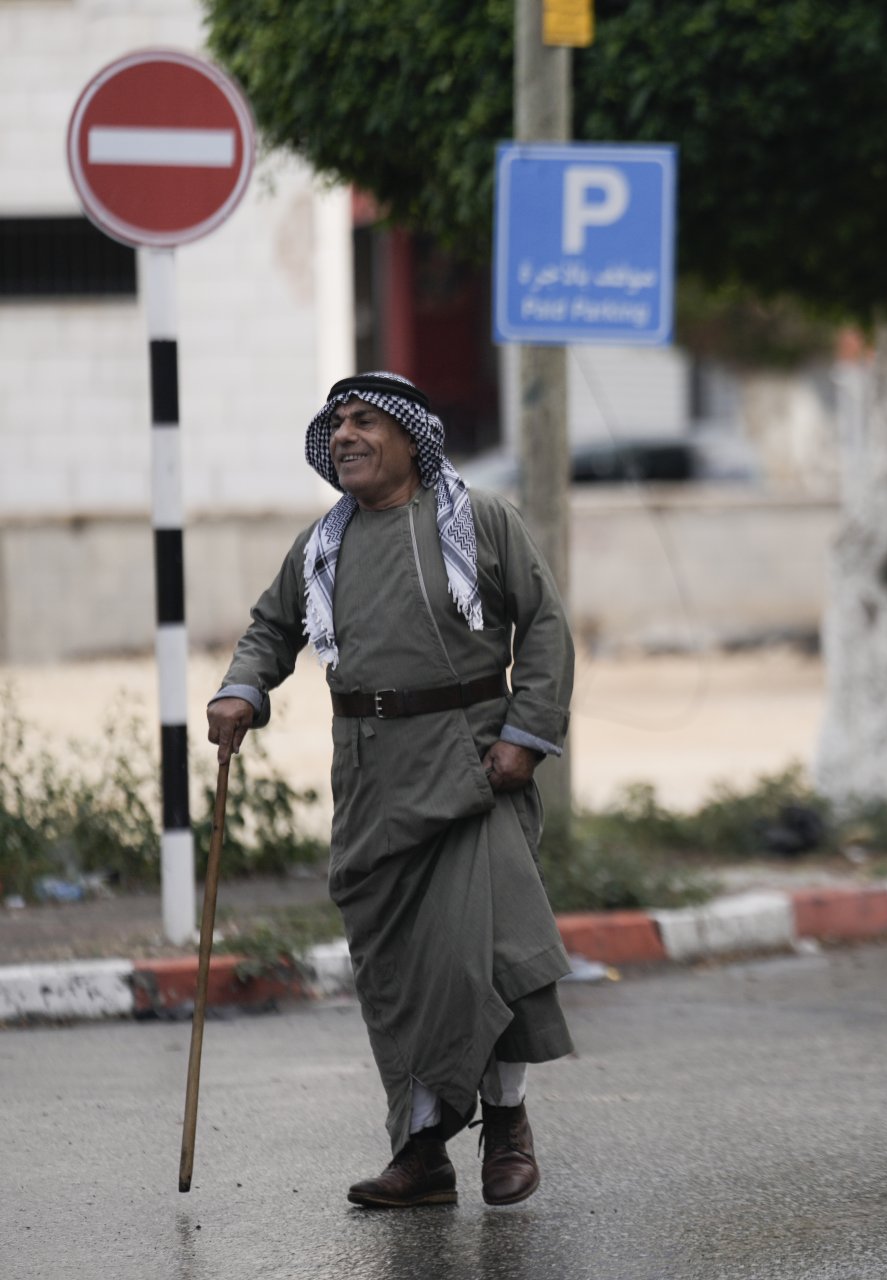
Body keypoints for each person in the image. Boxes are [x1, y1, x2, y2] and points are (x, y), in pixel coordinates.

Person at [206, 371, 575, 1209]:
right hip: (372, 775)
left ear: (413, 437)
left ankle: (507, 1124)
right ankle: (421, 1154)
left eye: (365, 420)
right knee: (397, 972)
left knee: (490, 953)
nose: (345, 435)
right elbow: (272, 628)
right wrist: (241, 689)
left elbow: (545, 623)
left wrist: (524, 736)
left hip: (476, 769)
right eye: (335, 423)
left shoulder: (480, 520)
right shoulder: (322, 545)